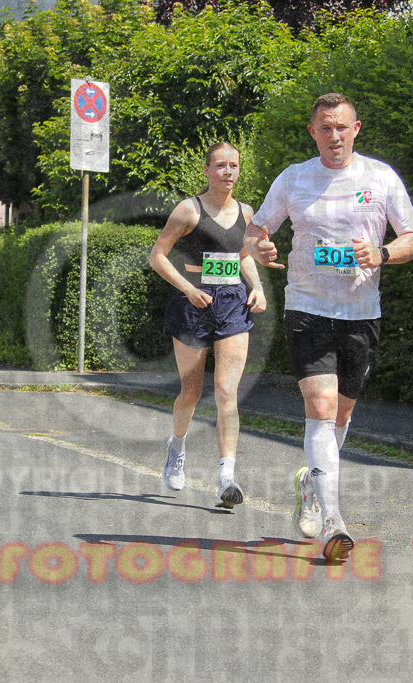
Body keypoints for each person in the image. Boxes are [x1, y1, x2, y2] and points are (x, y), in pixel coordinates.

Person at [244, 93, 413, 561]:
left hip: (362, 313)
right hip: (307, 307)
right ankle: (332, 521)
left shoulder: (380, 177)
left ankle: (311, 481)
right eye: (325, 128)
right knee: (320, 406)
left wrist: (383, 253)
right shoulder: (294, 178)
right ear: (313, 132)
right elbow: (256, 231)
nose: (334, 136)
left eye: (342, 127)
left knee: (340, 416)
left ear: (356, 129)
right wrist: (260, 249)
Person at [149, 142, 266, 509]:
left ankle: (226, 477)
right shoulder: (189, 210)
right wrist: (188, 288)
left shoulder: (247, 211)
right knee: (192, 392)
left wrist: (257, 287)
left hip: (232, 305)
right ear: (207, 171)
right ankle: (177, 447)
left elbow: (243, 256)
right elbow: (158, 256)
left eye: (234, 165)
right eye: (220, 166)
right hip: (194, 303)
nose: (228, 172)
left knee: (227, 392)